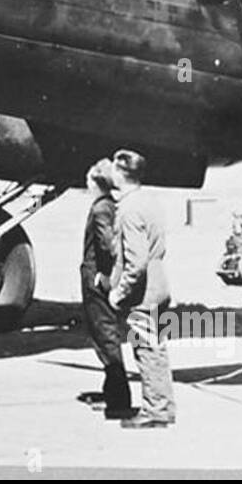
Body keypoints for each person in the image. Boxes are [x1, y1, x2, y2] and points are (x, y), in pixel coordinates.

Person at [107, 149, 175, 429]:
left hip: (143, 290)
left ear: (120, 173)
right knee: (156, 350)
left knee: (147, 351)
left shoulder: (129, 209)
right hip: (158, 282)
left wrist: (118, 293)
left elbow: (135, 262)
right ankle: (162, 407)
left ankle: (154, 412)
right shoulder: (149, 201)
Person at [77, 158, 136, 419]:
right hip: (99, 277)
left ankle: (120, 400)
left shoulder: (101, 208)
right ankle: (111, 391)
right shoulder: (111, 204)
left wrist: (104, 275)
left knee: (105, 335)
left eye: (89, 181)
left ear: (95, 183)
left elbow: (108, 245)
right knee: (104, 335)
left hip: (96, 280)